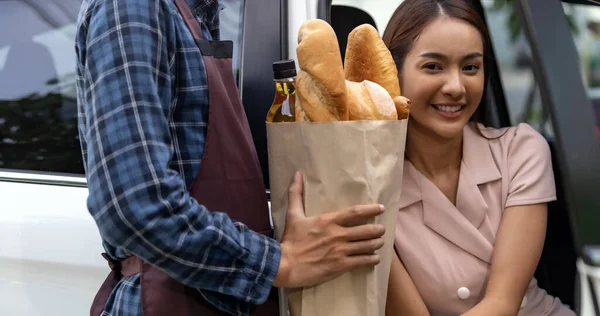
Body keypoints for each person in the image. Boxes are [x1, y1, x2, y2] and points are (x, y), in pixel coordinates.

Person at [75, 0, 386, 315]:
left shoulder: (195, 15)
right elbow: (135, 205)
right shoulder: (133, 7)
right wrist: (280, 262)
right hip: (168, 301)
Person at [381, 1, 576, 315]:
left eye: (470, 67)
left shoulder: (520, 151)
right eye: (433, 66)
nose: (456, 87)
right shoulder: (374, 189)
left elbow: (503, 303)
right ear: (394, 73)